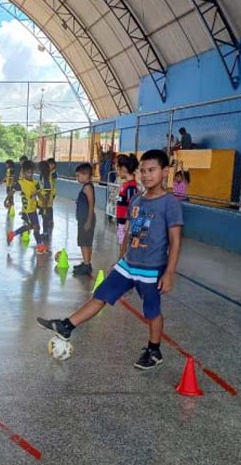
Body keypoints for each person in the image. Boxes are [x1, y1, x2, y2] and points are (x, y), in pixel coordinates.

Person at [37, 149, 183, 370]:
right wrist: (121, 257)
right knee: (100, 295)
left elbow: (175, 240)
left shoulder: (169, 203)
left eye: (152, 170)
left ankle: (154, 350)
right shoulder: (137, 199)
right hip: (128, 264)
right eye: (143, 171)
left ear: (164, 172)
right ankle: (67, 325)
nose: (146, 175)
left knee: (152, 310)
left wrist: (169, 272)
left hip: (151, 269)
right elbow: (131, 232)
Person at [7, 160, 47, 254]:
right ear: (24, 172)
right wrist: (6, 200)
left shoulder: (36, 183)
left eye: (32, 172)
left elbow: (40, 194)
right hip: (26, 210)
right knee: (36, 227)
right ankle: (40, 247)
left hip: (33, 209)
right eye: (28, 172)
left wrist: (42, 202)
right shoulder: (21, 183)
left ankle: (12, 234)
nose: (31, 174)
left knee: (29, 227)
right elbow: (12, 191)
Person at [73, 163, 95, 276]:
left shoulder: (87, 187)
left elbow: (91, 204)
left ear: (86, 175)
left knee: (85, 242)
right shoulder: (85, 187)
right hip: (83, 219)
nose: (77, 178)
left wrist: (89, 220)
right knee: (83, 242)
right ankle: (86, 263)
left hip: (86, 219)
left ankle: (87, 265)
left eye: (78, 176)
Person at [115, 154, 140, 246]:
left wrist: (128, 223)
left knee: (124, 246)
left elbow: (132, 206)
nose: (117, 171)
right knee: (122, 244)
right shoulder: (126, 185)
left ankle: (123, 260)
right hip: (121, 221)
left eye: (118, 168)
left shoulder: (131, 186)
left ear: (124, 169)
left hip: (125, 223)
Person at [38, 161, 53, 243]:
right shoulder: (43, 177)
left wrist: (45, 204)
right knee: (44, 218)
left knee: (45, 218)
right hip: (43, 201)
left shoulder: (46, 178)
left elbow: (47, 192)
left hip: (45, 202)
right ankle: (45, 233)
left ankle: (45, 234)